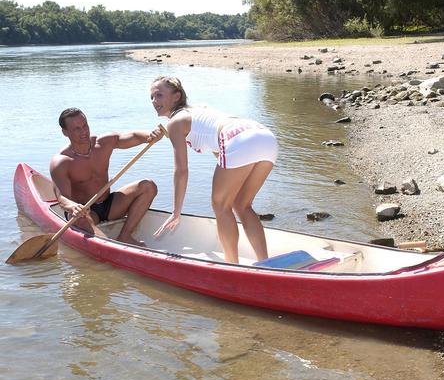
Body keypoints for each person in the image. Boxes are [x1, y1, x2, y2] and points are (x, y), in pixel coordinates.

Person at [149, 76, 278, 263]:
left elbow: (181, 170)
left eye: (159, 95)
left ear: (176, 96)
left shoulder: (175, 122)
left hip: (239, 139)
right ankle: (266, 262)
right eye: (151, 97)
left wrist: (176, 212)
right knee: (242, 204)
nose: (154, 101)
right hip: (265, 137)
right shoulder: (198, 110)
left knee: (220, 205)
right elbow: (218, 149)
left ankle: (231, 264)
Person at [50, 107, 161, 246]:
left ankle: (124, 236)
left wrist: (150, 135)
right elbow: (61, 198)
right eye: (77, 129)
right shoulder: (61, 162)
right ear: (65, 132)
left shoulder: (102, 143)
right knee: (80, 218)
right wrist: (73, 207)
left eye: (85, 126)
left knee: (148, 186)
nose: (84, 131)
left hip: (110, 204)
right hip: (85, 211)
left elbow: (132, 136)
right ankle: (110, 247)